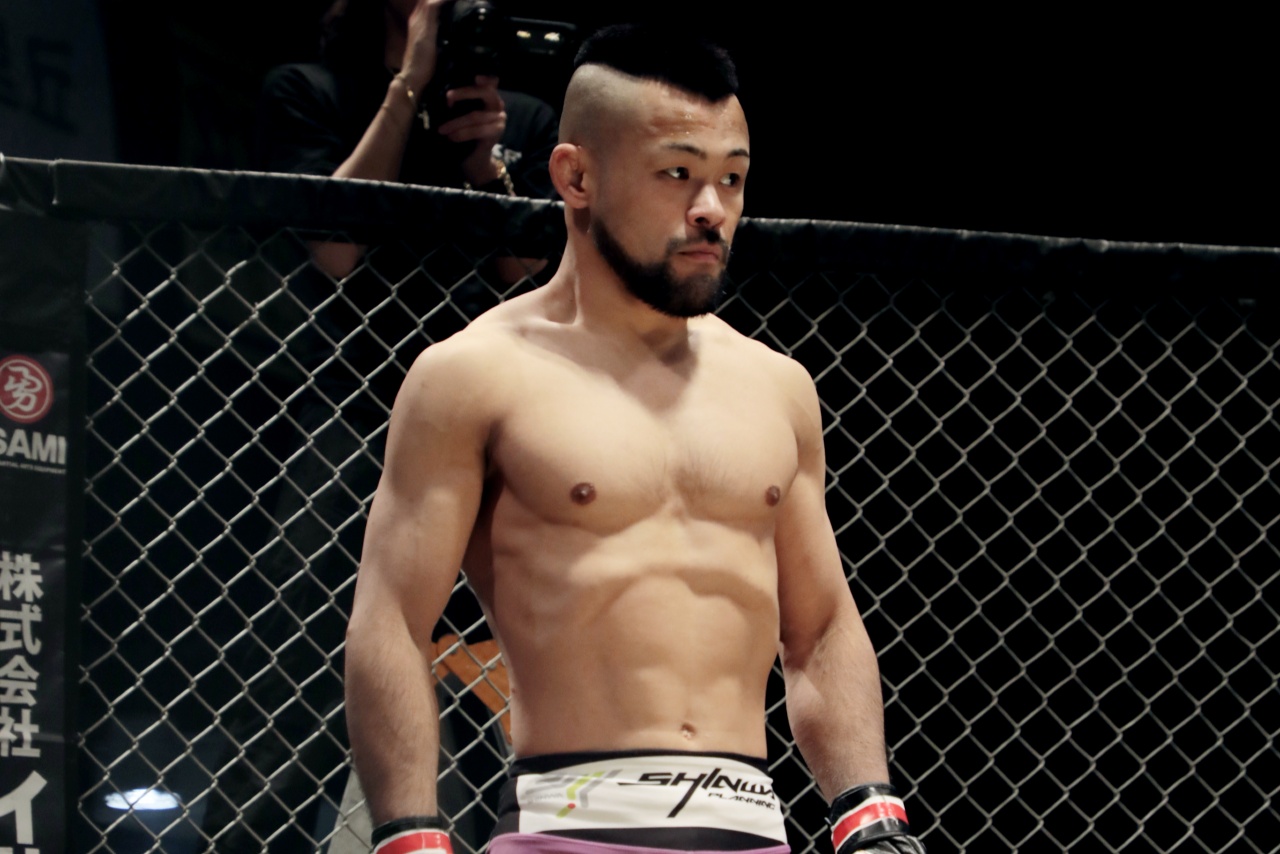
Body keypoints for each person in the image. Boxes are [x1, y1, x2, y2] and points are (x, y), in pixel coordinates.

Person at [345, 23, 927, 854]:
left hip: (754, 829)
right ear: (576, 176)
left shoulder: (776, 386)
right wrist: (410, 837)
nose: (711, 209)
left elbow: (822, 626)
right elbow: (390, 622)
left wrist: (870, 816)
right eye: (677, 174)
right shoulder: (473, 376)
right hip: (569, 826)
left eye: (732, 178)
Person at [201, 2, 559, 850]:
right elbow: (334, 251)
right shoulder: (313, 91)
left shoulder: (523, 118)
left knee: (527, 664)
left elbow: (531, 271)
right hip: (359, 408)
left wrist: (485, 166)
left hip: (499, 412)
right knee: (300, 663)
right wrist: (408, 88)